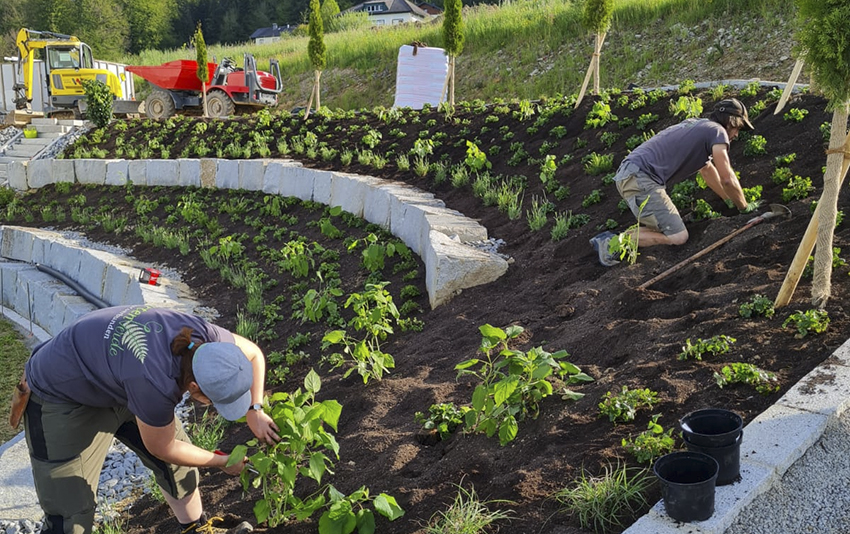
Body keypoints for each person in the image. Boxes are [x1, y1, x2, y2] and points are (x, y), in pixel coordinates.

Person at [20, 305, 281, 534]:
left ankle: (195, 528)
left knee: (181, 469)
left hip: (116, 375)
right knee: (70, 512)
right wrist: (223, 461)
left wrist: (255, 409)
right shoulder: (155, 384)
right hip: (61, 393)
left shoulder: (208, 340)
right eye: (215, 400)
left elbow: (254, 354)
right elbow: (163, 447)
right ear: (193, 387)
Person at [590, 97, 758, 266]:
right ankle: (611, 243)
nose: (736, 134)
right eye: (739, 128)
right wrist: (744, 207)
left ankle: (611, 239)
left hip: (633, 173)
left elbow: (707, 171)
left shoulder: (699, 126)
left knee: (664, 227)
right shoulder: (718, 132)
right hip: (642, 178)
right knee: (678, 236)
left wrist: (728, 200)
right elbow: (727, 178)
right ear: (730, 121)